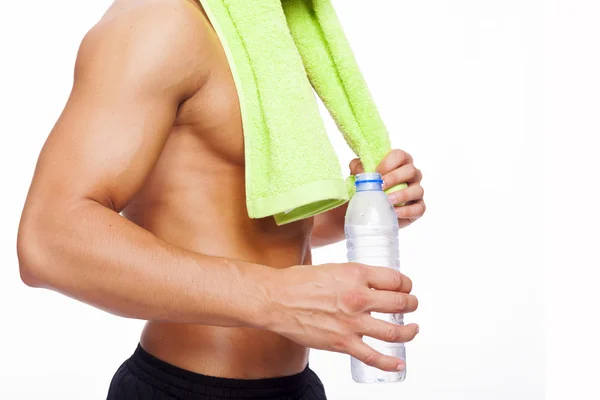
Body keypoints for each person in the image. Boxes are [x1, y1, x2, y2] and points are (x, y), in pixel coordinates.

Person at [16, 0, 426, 399]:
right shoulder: (159, 22)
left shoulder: (262, 31)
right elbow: (49, 241)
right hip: (187, 387)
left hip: (296, 386)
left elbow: (246, 217)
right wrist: (276, 298)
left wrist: (356, 208)